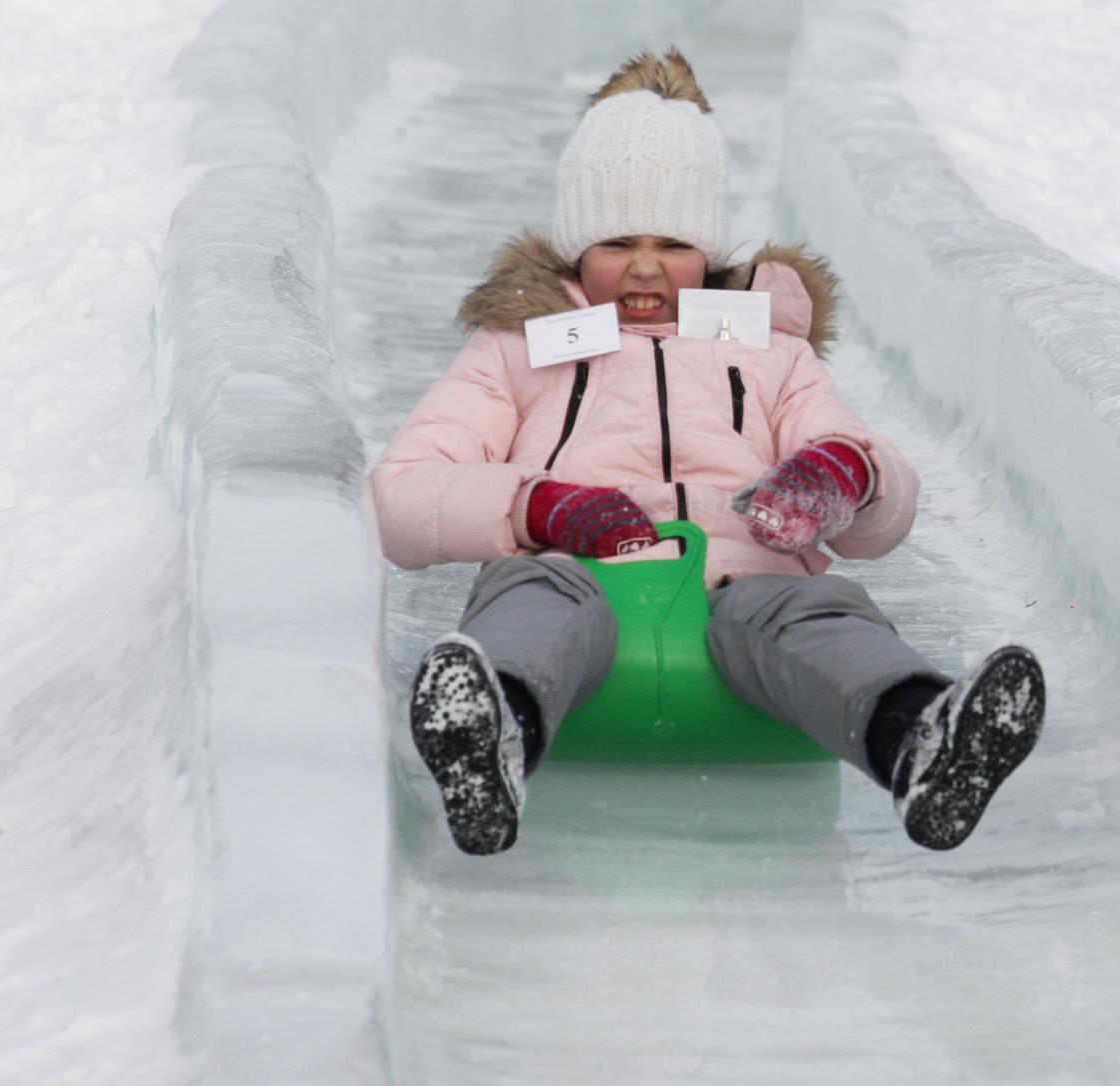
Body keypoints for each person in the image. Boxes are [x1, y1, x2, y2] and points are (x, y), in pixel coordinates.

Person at [370, 51, 1045, 857]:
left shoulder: (768, 352)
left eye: (674, 242)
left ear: (711, 246)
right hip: (578, 575)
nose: (648, 269)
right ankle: (492, 731)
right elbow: (404, 494)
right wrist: (536, 506)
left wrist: (844, 476)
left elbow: (880, 498)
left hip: (745, 584)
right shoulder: (521, 346)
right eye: (618, 241)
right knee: (538, 595)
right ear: (577, 246)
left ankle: (920, 740)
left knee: (814, 614)